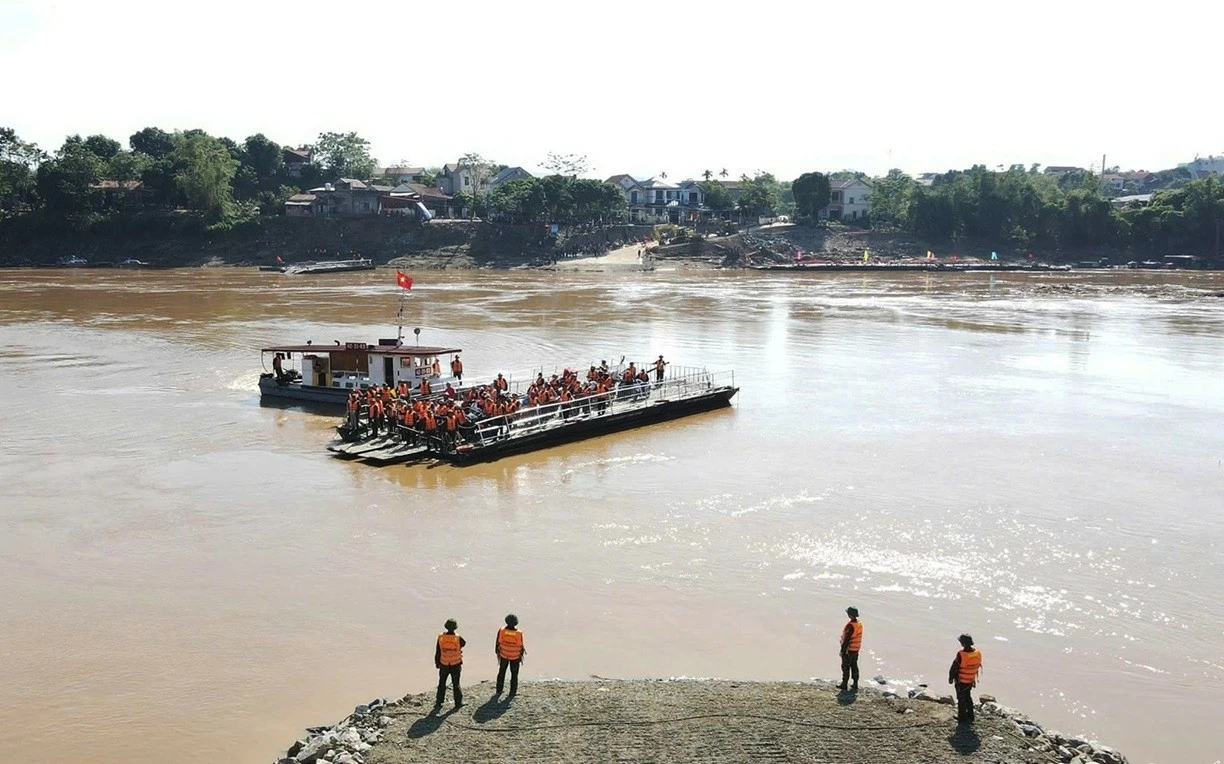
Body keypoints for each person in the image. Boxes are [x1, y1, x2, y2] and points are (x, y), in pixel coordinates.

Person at [948, 633, 982, 724]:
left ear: (963, 643)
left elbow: (954, 668)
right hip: (970, 680)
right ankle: (970, 715)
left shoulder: (961, 654)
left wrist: (951, 678)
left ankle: (962, 718)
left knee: (961, 699)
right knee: (967, 696)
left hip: (961, 681)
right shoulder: (977, 653)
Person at [435, 619, 466, 708]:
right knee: (456, 684)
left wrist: (437, 662)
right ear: (455, 628)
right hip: (455, 664)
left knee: (442, 683)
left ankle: (439, 702)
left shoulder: (441, 637)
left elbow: (438, 651)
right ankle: (458, 703)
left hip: (444, 664)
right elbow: (463, 643)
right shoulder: (458, 637)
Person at [495, 614, 526, 696]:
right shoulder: (519, 633)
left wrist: (498, 653)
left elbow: (497, 644)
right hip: (515, 657)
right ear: (516, 622)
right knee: (514, 674)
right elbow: (521, 646)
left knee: (501, 672)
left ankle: (499, 690)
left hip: (504, 655)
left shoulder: (501, 630)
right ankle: (512, 692)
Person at [838, 606, 863, 692]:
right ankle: (855, 683)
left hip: (849, 650)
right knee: (854, 665)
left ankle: (844, 684)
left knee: (845, 667)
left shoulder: (850, 626)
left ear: (850, 615)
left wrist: (842, 651)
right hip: (856, 649)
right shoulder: (859, 624)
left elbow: (846, 640)